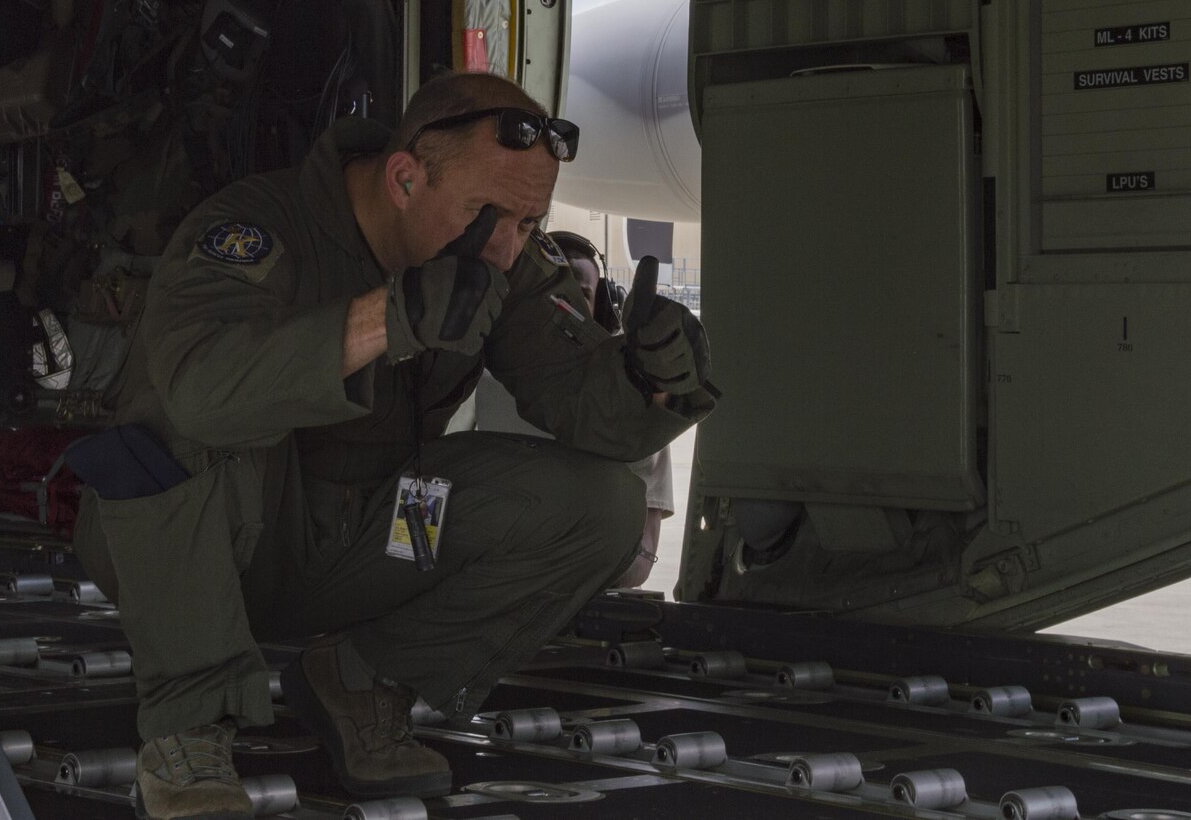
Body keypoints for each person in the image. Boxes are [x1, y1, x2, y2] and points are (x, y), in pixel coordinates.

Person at [73, 71, 715, 817]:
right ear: (405, 177)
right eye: (489, 214)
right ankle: (186, 730)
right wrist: (388, 318)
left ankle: (360, 682)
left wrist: (654, 380)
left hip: (364, 541)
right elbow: (199, 390)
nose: (509, 248)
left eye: (531, 223)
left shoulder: (499, 258)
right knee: (183, 417)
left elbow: (578, 394)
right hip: (221, 551)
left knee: (601, 505)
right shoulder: (256, 229)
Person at [470, 230, 675, 587]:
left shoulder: (629, 402)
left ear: (603, 311)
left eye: (576, 296)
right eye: (545, 293)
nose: (555, 307)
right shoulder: (478, 379)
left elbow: (641, 559)